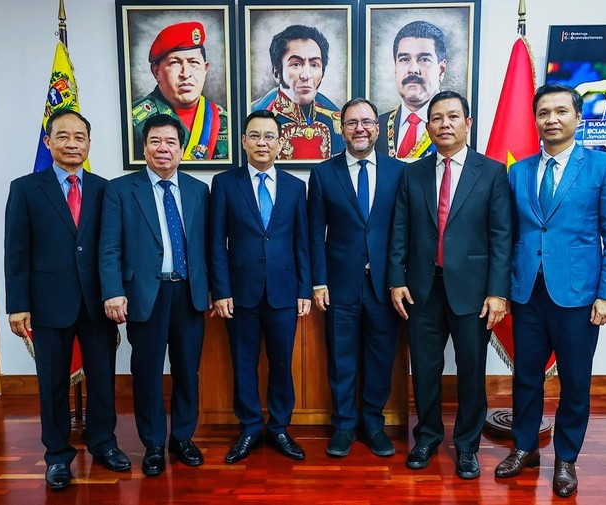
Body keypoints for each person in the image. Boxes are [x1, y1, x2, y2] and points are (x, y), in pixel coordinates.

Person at [495, 84, 606, 498]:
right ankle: (524, 448)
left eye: (560, 111)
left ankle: (567, 458)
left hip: (578, 295)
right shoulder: (518, 171)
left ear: (577, 117)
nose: (551, 119)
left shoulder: (603, 167)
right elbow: (509, 235)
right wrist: (502, 287)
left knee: (574, 381)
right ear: (535, 120)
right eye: (543, 113)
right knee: (526, 378)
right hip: (527, 293)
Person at [4, 109, 130, 490]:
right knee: (53, 383)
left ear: (89, 143)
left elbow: (114, 246)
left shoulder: (105, 189)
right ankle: (57, 455)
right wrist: (17, 304)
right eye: (63, 136)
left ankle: (104, 444)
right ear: (48, 142)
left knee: (103, 380)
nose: (72, 143)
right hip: (48, 304)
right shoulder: (26, 188)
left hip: (96, 303)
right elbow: (16, 251)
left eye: (79, 137)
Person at [388, 91, 511, 478]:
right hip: (421, 289)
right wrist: (395, 280)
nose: (444, 124)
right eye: (437, 118)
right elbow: (400, 231)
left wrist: (498, 291)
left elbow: (501, 236)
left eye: (453, 116)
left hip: (473, 292)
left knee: (472, 371)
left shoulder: (491, 172)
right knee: (425, 369)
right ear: (428, 126)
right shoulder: (413, 173)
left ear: (467, 123)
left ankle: (467, 446)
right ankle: (426, 437)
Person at [99, 114, 210, 476]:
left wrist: (212, 289)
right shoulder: (120, 190)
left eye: (171, 142)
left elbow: (208, 246)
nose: (164, 149)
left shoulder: (198, 190)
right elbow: (109, 247)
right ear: (144, 147)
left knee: (187, 370)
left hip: (189, 293)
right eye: (156, 141)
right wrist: (113, 291)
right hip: (145, 294)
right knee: (146, 372)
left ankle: (182, 437)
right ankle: (153, 444)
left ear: (182, 149)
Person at [209, 110, 312, 463]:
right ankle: (250, 427)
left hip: (284, 291)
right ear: (243, 141)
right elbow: (216, 243)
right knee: (243, 363)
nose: (262, 142)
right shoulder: (225, 184)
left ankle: (280, 427)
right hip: (240, 293)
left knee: (282, 363)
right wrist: (221, 290)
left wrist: (304, 289)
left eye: (269, 136)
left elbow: (302, 243)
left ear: (280, 143)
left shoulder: (296, 187)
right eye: (255, 135)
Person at [307, 98, 405, 458]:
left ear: (377, 128)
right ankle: (345, 425)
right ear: (342, 129)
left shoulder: (399, 172)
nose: (359, 128)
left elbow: (404, 231)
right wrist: (319, 281)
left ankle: (373, 424)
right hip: (339, 285)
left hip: (385, 285)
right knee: (341, 356)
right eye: (351, 123)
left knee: (381, 357)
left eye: (366, 122)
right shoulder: (323, 173)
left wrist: (400, 278)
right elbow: (314, 233)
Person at [132, 21, 228, 161]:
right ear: (156, 72)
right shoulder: (134, 120)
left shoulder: (223, 118)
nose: (186, 73)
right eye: (175, 63)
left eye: (194, 62)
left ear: (205, 69)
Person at [251, 24, 344, 160]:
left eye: (314, 65)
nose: (306, 75)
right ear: (277, 73)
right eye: (296, 64)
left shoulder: (334, 122)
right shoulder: (255, 117)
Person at [376, 21, 447, 160]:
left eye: (424, 59)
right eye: (404, 59)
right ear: (395, 67)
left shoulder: (455, 127)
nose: (413, 69)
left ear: (441, 70)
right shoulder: (377, 127)